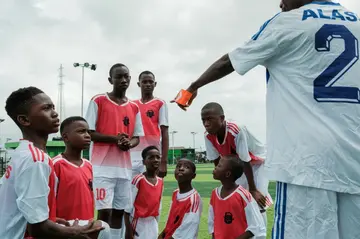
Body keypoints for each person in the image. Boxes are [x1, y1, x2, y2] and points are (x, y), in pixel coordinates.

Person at [172, 1, 360, 238]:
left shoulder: (287, 22)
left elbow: (229, 61)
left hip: (305, 163)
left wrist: (193, 86)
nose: (281, 3)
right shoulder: (356, 20)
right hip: (354, 160)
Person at [0, 87, 103, 239]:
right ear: (24, 120)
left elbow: (28, 213)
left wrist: (52, 221)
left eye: (53, 107)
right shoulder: (35, 159)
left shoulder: (24, 153)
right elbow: (37, 228)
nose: (55, 113)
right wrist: (77, 232)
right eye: (46, 108)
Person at [85, 63, 144, 239]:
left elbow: (137, 137)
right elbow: (89, 132)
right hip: (102, 168)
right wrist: (115, 139)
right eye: (119, 77)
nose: (123, 80)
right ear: (111, 79)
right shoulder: (98, 101)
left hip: (124, 169)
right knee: (104, 213)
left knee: (119, 212)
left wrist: (129, 143)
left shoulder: (134, 107)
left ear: (130, 79)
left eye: (126, 76)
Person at [202, 102, 272, 226]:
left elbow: (246, 160)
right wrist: (225, 182)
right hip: (238, 164)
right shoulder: (208, 136)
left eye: (210, 119)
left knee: (257, 201)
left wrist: (253, 189)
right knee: (237, 198)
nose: (206, 124)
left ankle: (259, 234)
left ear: (222, 118)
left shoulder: (236, 130)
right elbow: (217, 161)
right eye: (203, 120)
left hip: (258, 163)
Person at [53, 116, 111, 239]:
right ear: (65, 137)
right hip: (65, 229)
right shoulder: (56, 165)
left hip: (86, 229)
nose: (87, 135)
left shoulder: (89, 165)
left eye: (88, 132)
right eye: (81, 131)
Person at [209, 155, 266, 239]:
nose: (215, 168)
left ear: (227, 174)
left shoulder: (243, 195)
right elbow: (212, 220)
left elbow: (255, 226)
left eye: (219, 166)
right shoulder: (214, 194)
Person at [131, 70, 169, 178]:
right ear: (139, 84)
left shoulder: (160, 103)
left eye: (150, 82)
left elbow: (164, 132)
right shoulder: (132, 105)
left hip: (152, 155)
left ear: (155, 84)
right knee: (131, 191)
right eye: (144, 82)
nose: (148, 84)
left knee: (151, 190)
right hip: (133, 155)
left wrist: (163, 161)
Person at [124, 146, 164, 239]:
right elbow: (127, 208)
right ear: (144, 162)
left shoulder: (160, 181)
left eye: (158, 157)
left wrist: (156, 223)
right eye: (151, 157)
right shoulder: (138, 180)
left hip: (152, 222)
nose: (155, 160)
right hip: (138, 222)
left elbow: (159, 205)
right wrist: (128, 231)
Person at [158, 158, 202, 239]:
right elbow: (172, 220)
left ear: (193, 176)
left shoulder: (194, 199)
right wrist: (163, 233)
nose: (181, 168)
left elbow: (187, 228)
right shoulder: (175, 193)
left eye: (187, 167)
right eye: (178, 166)